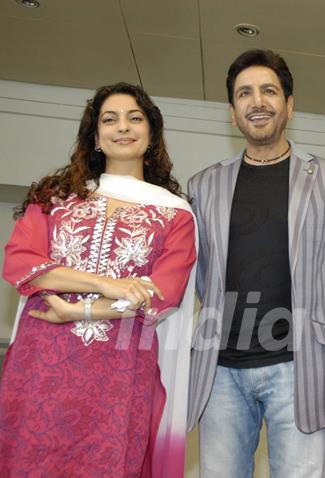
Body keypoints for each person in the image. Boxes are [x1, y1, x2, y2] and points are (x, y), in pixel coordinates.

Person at [0, 82, 197, 477]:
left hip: (120, 372)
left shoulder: (176, 215)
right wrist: (107, 284)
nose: (123, 127)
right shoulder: (55, 198)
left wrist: (77, 311)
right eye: (110, 119)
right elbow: (21, 261)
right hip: (43, 363)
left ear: (152, 134)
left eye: (134, 118)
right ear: (95, 136)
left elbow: (161, 294)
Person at [186, 49, 325, 477]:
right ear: (232, 112)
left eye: (269, 91)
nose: (257, 101)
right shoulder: (202, 185)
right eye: (245, 93)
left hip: (300, 367)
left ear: (290, 105)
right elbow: (205, 277)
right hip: (220, 370)